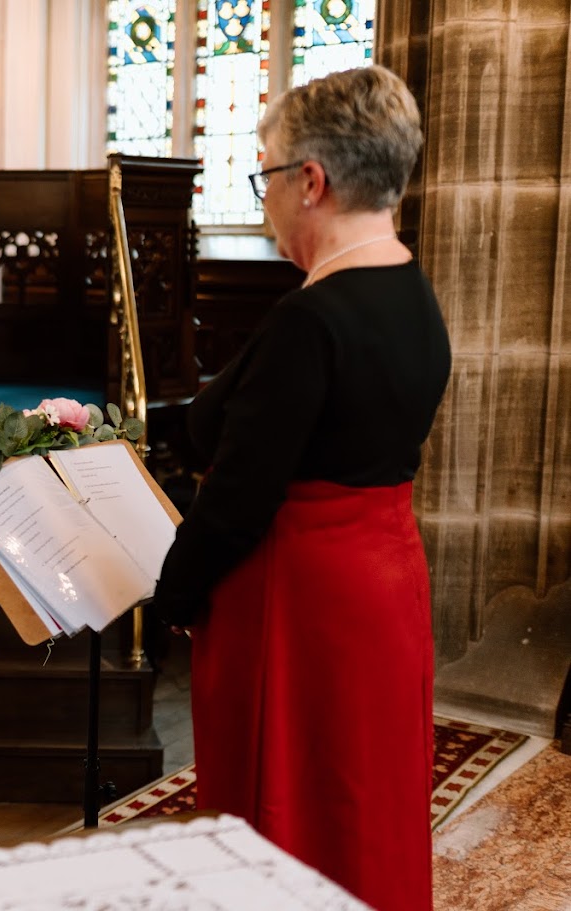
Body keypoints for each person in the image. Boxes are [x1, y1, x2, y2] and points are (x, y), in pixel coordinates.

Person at [150, 66, 450, 911]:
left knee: (284, 809)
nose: (267, 198)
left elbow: (239, 496)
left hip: (300, 599)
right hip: (384, 585)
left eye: (267, 173)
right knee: (363, 801)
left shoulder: (311, 319)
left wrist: (173, 590)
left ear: (310, 181)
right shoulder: (413, 294)